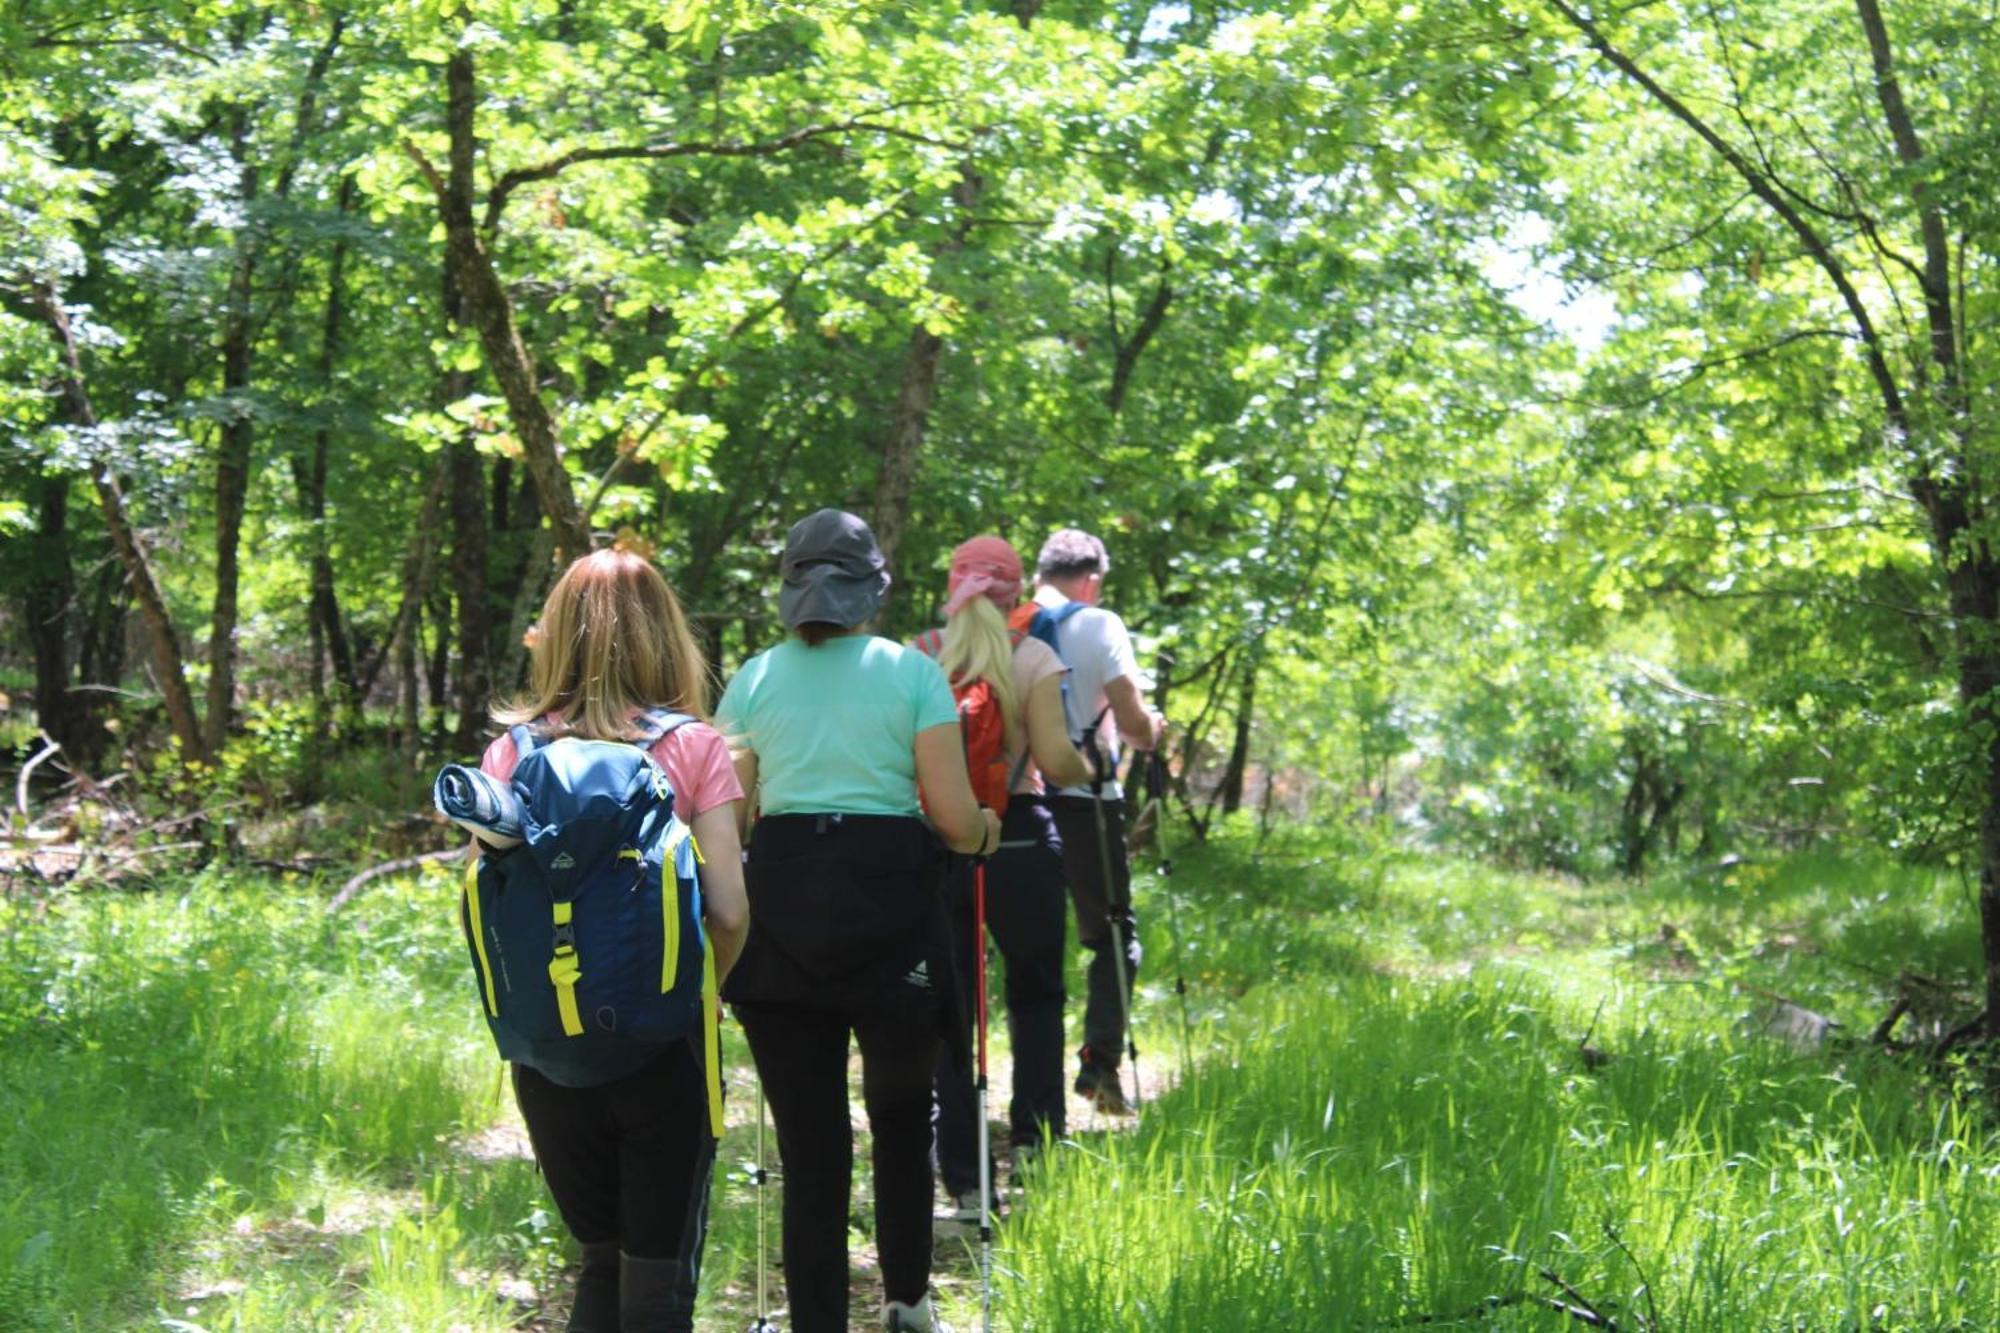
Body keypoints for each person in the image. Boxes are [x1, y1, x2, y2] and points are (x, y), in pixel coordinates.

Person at [717, 509, 998, 1333]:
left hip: (783, 925)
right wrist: (986, 829)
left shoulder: (754, 678)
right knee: (905, 1120)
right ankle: (908, 1303)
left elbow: (731, 823)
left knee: (810, 1148)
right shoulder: (912, 674)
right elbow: (950, 819)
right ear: (870, 589)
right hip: (892, 920)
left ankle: (817, 1322)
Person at [475, 548, 749, 1333]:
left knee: (598, 1261)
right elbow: (728, 909)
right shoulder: (692, 747)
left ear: (555, 635)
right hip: (669, 1051)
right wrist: (705, 996)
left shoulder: (511, 756)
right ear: (666, 635)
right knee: (655, 1288)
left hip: (548, 1055)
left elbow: (493, 915)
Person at [920, 536, 1091, 1215]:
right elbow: (1054, 754)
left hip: (941, 842)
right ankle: (1036, 1140)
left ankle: (963, 1176)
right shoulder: (1034, 656)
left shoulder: (921, 655)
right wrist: (1086, 769)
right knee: (1037, 992)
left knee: (951, 1008)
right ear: (1017, 593)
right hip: (1018, 833)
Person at [1032, 528, 1165, 1114]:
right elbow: (1133, 722)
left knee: (1026, 947)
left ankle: (1022, 1102)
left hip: (1016, 800)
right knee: (1112, 935)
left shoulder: (1007, 621)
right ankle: (1099, 1065)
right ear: (1091, 579)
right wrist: (1155, 729)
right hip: (1086, 799)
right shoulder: (1099, 623)